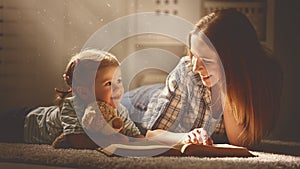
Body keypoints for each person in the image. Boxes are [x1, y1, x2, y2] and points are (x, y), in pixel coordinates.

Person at [121, 9, 282, 148]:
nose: (196, 66)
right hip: (137, 105)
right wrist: (184, 138)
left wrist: (226, 85)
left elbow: (241, 142)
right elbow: (152, 134)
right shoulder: (188, 71)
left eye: (207, 60)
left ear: (234, 63)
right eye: (193, 54)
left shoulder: (261, 78)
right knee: (102, 115)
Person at [0, 49, 143, 149]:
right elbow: (76, 139)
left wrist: (146, 143)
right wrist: (111, 141)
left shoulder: (119, 110)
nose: (118, 88)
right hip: (24, 123)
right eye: (108, 83)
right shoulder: (74, 106)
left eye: (119, 80)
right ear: (84, 92)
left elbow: (133, 133)